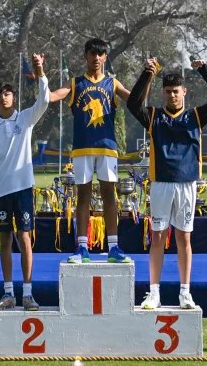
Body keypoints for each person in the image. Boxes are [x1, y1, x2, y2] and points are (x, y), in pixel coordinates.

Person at [127, 58, 207, 309]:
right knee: (157, 237)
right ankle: (154, 292)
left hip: (186, 184)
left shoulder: (196, 116)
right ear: (163, 93)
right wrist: (148, 73)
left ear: (185, 92)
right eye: (168, 91)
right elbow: (133, 103)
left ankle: (185, 292)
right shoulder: (154, 116)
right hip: (161, 184)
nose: (172, 95)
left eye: (176, 91)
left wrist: (204, 70)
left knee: (184, 238)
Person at [49, 38, 132, 264]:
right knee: (83, 197)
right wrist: (40, 77)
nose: (96, 58)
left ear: (105, 57)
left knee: (109, 197)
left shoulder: (113, 83)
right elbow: (54, 95)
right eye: (92, 53)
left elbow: (135, 99)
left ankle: (113, 247)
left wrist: (148, 76)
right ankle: (82, 248)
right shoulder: (76, 83)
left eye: (100, 54)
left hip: (107, 148)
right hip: (82, 148)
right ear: (85, 56)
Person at [0, 53, 49, 311]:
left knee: (25, 238)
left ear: (14, 98)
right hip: (1, 191)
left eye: (8, 94)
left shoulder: (25, 118)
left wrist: (40, 71)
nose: (4, 98)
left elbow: (44, 100)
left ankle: (28, 294)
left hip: (22, 189)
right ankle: (8, 292)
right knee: (5, 240)